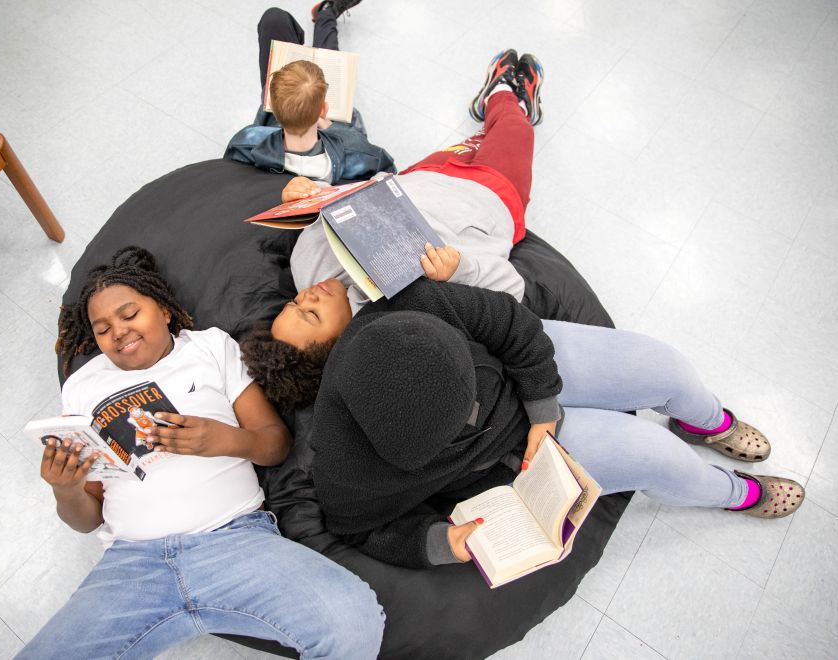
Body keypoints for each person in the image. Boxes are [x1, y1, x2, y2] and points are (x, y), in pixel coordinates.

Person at [18, 247, 384, 659]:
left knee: (353, 621)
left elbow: (276, 444)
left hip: (235, 541)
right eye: (102, 329)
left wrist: (222, 440)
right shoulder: (82, 387)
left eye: (129, 314)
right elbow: (86, 520)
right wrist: (65, 490)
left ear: (164, 311)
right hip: (132, 566)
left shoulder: (210, 348)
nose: (118, 332)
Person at [293, 279, 803, 569]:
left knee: (667, 368)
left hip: (527, 370)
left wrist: (541, 405)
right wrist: (435, 543)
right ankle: (734, 492)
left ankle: (709, 423)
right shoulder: (344, 467)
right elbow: (359, 530)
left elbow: (510, 323)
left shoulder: (411, 303)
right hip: (515, 461)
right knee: (657, 457)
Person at [278, 47, 546, 319]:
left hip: (423, 176)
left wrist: (307, 194)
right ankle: (505, 93)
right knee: (515, 127)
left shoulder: (306, 268)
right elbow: (513, 287)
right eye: (311, 314)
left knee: (485, 138)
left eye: (294, 303)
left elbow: (332, 206)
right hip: (489, 199)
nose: (307, 297)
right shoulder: (409, 310)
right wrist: (458, 269)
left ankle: (497, 102)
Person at [224, 3, 395, 184]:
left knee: (274, 19)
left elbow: (231, 169)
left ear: (270, 104)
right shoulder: (361, 153)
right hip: (337, 136)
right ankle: (326, 14)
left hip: (278, 123)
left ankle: (321, 20)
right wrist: (330, 126)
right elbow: (388, 172)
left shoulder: (245, 142)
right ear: (323, 110)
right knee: (329, 55)